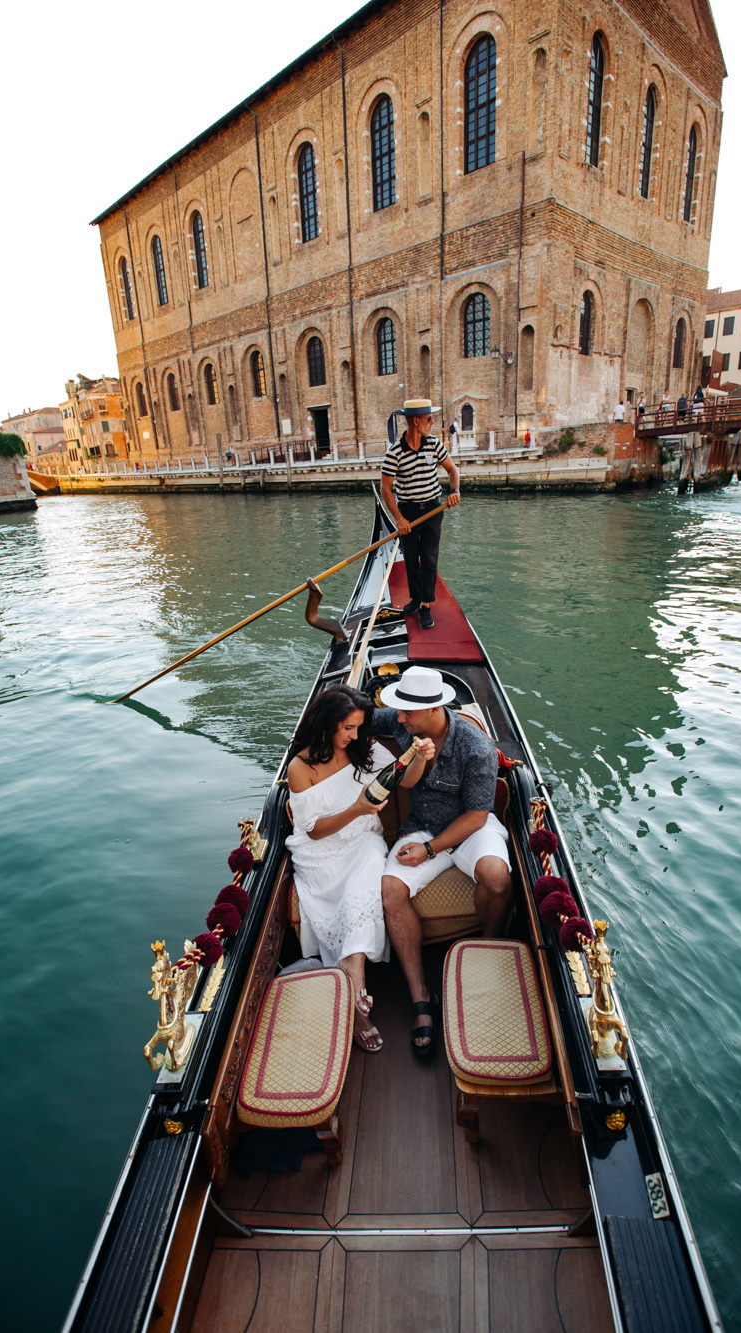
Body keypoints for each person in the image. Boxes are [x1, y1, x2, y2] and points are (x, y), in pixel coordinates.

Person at [372, 667, 512, 1056]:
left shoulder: (476, 748)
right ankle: (422, 997)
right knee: (390, 888)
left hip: (468, 828)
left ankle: (487, 952)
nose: (399, 718)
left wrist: (431, 850)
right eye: (398, 711)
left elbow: (478, 815)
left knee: (497, 876)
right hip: (422, 825)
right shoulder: (403, 722)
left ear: (434, 709)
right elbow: (364, 713)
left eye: (407, 713)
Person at [286, 685, 432, 1053]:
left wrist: (420, 754)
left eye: (358, 727)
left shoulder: (362, 748)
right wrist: (356, 808)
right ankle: (354, 984)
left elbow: (406, 779)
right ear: (326, 724)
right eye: (348, 728)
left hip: (362, 841)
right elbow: (313, 831)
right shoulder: (300, 767)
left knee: (370, 847)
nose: (354, 735)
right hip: (320, 852)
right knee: (365, 852)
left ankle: (353, 974)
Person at [381, 399, 460, 631]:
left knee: (428, 558)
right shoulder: (394, 453)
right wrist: (398, 518)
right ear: (416, 421)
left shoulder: (434, 444)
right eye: (429, 419)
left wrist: (454, 490)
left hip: (434, 510)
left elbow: (452, 470)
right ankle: (415, 598)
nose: (433, 423)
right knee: (410, 559)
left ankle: (425, 604)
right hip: (408, 513)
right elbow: (386, 488)